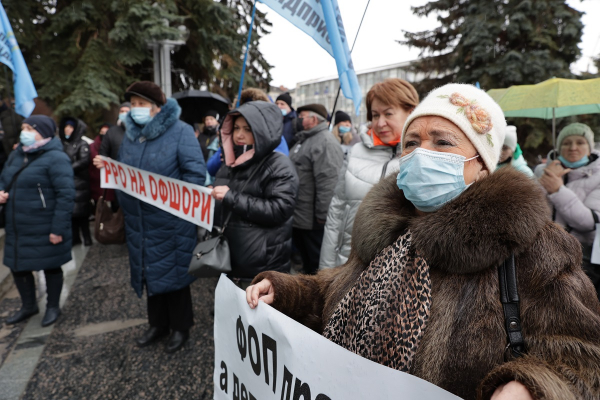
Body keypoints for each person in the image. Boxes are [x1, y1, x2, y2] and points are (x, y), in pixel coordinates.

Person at [247, 84, 600, 400]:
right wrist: (287, 291)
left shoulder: (536, 246)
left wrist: (531, 386)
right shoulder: (388, 230)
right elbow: (338, 289)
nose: (420, 153)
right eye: (412, 142)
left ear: (482, 165)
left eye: (442, 141)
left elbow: (583, 358)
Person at [94, 81, 206, 353]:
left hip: (172, 223)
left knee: (175, 278)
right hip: (139, 223)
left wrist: (171, 200)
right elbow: (126, 174)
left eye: (141, 104)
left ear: (157, 107)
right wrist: (109, 167)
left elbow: (195, 175)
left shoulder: (180, 132)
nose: (135, 109)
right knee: (149, 273)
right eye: (132, 104)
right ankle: (157, 325)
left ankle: (180, 327)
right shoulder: (131, 136)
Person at [320, 79, 419, 269]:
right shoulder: (355, 151)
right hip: (346, 266)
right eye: (375, 115)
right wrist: (326, 268)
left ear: (411, 112)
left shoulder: (423, 158)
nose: (380, 123)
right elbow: (336, 212)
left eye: (388, 113)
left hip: (397, 273)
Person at [211, 101, 298, 285]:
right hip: (230, 262)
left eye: (248, 129)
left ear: (262, 132)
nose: (239, 135)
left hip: (261, 268)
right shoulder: (230, 162)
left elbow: (280, 210)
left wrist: (230, 197)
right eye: (236, 128)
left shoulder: (278, 165)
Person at [1, 115, 75, 327]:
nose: (24, 132)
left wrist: (58, 229)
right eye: (23, 128)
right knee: (18, 266)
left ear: (44, 132)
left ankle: (52, 307)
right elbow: (5, 179)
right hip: (17, 225)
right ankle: (28, 305)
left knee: (50, 266)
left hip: (44, 225)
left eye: (29, 129)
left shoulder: (56, 158)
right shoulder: (17, 154)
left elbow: (66, 194)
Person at [535, 122, 600, 298]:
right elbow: (533, 210)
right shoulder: (542, 172)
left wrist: (558, 190)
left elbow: (589, 222)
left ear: (589, 147)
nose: (572, 148)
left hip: (583, 259)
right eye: (566, 143)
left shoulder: (598, 175)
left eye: (580, 142)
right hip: (544, 254)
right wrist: (546, 181)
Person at [290, 104, 344, 275]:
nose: (299, 119)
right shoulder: (304, 139)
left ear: (313, 119)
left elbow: (328, 182)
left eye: (302, 116)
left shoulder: (325, 142)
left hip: (313, 221)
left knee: (316, 264)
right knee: (306, 263)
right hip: (300, 216)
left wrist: (323, 215)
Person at [60, 118, 92, 246]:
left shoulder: (82, 144)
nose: (67, 130)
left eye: (71, 127)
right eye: (66, 127)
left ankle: (87, 237)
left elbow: (84, 161)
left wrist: (67, 169)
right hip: (66, 183)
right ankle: (75, 238)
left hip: (80, 183)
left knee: (82, 213)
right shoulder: (62, 144)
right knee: (71, 213)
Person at [89, 123, 115, 212]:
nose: (103, 134)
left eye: (106, 132)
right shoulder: (92, 146)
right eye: (102, 132)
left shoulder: (115, 145)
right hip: (97, 184)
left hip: (113, 185)